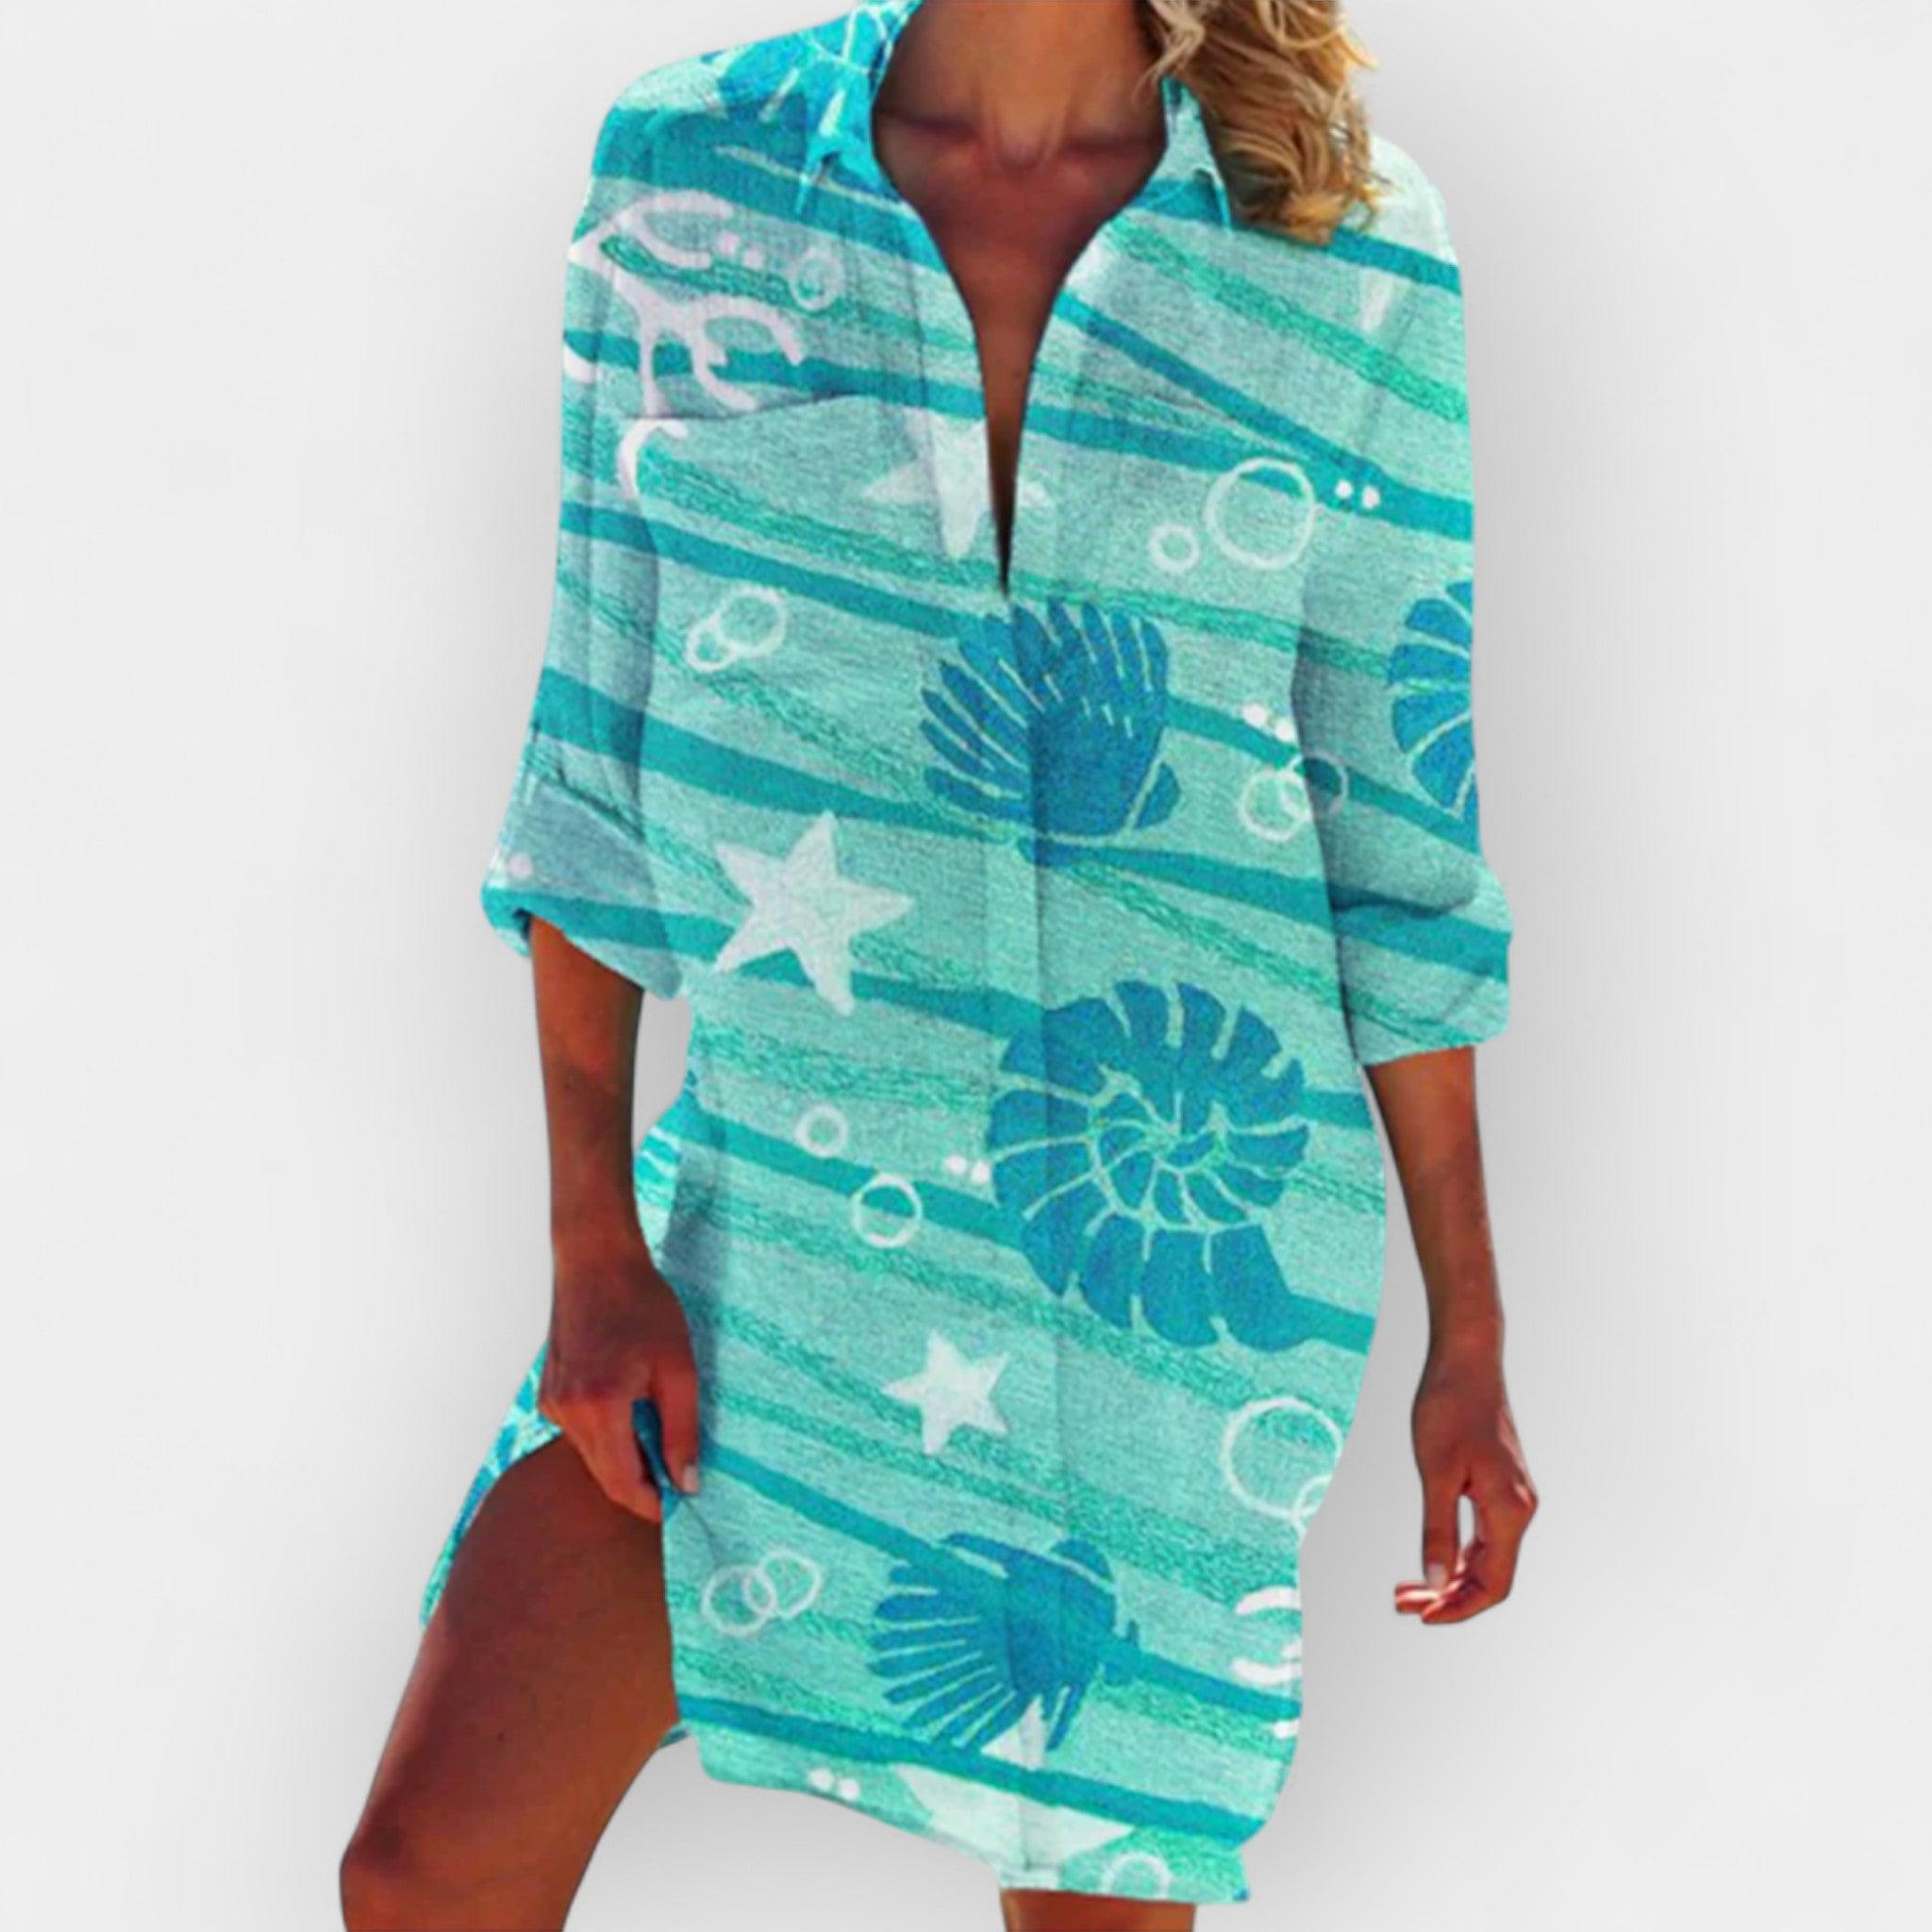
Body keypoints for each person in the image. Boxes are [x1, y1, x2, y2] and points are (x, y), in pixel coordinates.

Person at [341, 1, 1538, 1925]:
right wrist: (591, 1242)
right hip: (781, 1217)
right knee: (429, 1870)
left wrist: (1465, 1340)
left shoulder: (1343, 235)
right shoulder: (699, 167)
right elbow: (591, 758)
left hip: (1168, 1266)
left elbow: (1399, 827)